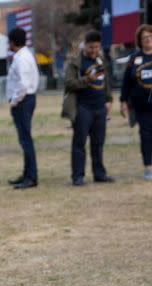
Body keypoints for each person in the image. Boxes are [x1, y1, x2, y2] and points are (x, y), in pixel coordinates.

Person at [63, 30, 115, 186]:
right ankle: (77, 176)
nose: (94, 50)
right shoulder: (75, 63)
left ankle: (99, 174)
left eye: (97, 47)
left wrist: (109, 99)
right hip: (82, 108)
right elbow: (69, 83)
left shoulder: (100, 60)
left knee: (98, 143)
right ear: (85, 46)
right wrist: (87, 79)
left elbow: (106, 82)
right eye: (91, 47)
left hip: (100, 108)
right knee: (79, 144)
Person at [6, 27, 40, 189]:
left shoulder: (21, 59)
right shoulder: (25, 55)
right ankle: (27, 173)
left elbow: (23, 84)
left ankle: (31, 177)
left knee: (26, 140)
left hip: (23, 101)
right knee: (25, 140)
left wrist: (14, 101)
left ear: (12, 42)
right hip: (25, 100)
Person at [120, 24, 152, 181]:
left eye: (151, 36)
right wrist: (123, 101)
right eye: (145, 37)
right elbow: (126, 82)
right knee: (146, 136)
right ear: (140, 41)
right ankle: (148, 167)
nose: (148, 39)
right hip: (142, 106)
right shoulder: (134, 59)